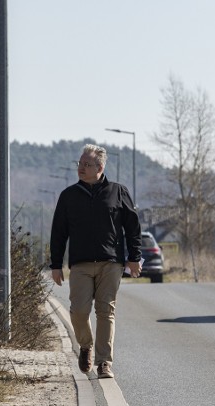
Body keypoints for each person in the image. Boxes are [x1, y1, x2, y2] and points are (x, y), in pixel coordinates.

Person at [49, 144, 143, 379]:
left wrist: (134, 258)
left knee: (106, 311)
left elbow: (133, 227)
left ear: (100, 167)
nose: (81, 168)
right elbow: (58, 232)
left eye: (86, 164)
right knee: (79, 311)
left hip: (111, 263)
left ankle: (104, 363)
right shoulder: (68, 196)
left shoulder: (118, 191)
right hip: (80, 264)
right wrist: (56, 264)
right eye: (79, 164)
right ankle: (85, 345)